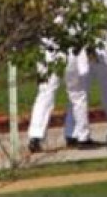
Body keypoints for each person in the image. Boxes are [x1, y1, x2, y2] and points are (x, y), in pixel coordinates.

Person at [26, 13, 95, 152]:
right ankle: (80, 136)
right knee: (78, 95)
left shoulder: (43, 4)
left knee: (45, 94)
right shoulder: (76, 3)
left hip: (48, 51)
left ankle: (36, 136)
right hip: (70, 51)